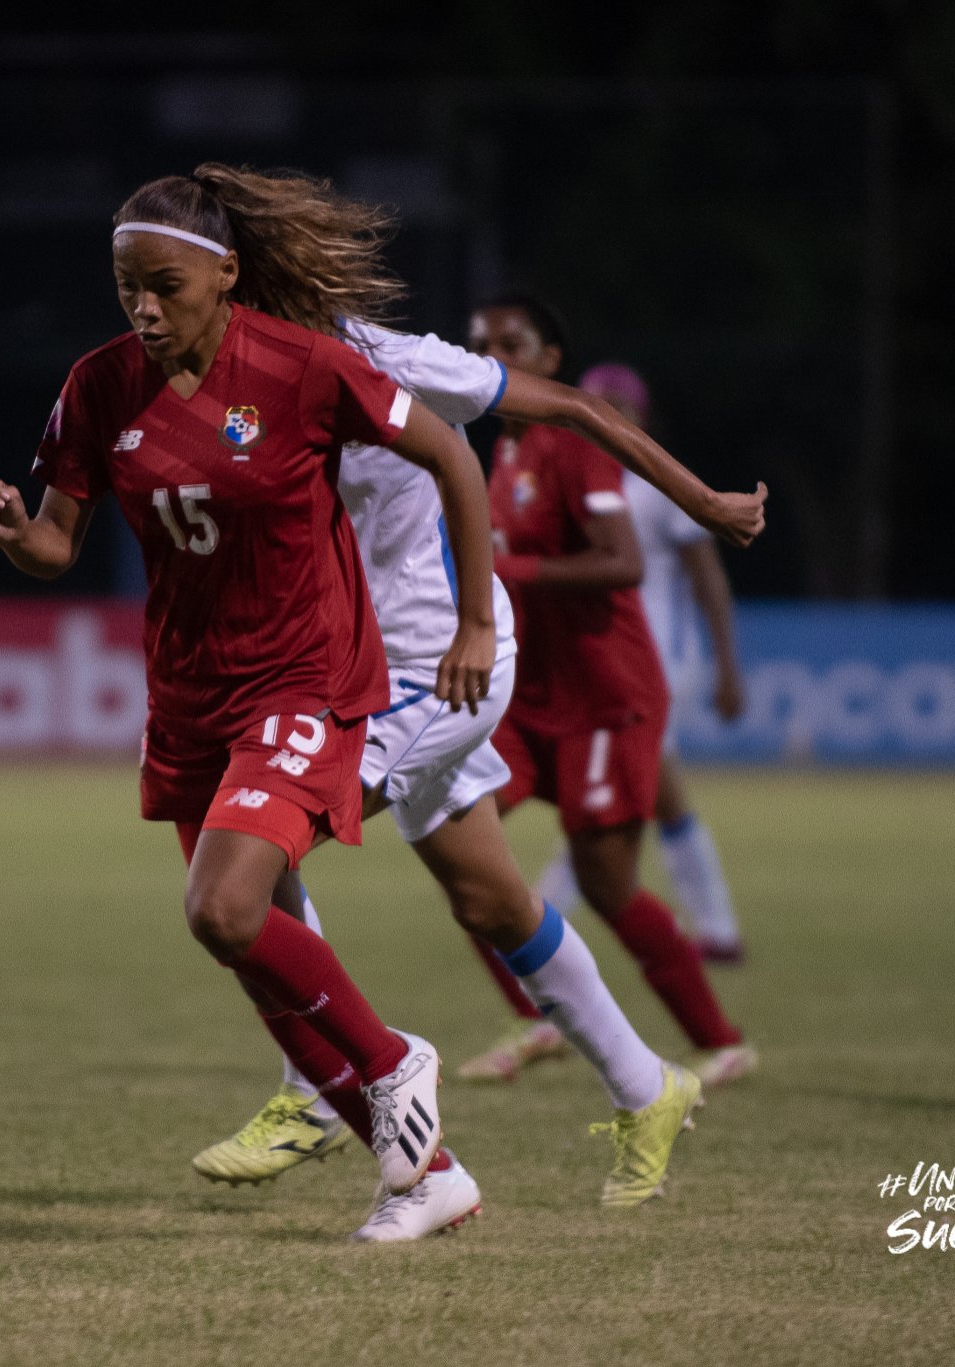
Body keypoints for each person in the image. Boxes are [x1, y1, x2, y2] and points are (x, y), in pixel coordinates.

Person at [0, 166, 504, 1239]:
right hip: (189, 696)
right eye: (127, 290)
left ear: (226, 275)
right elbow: (58, 543)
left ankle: (397, 1058)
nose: (144, 309)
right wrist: (14, 531)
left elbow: (448, 453)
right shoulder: (99, 385)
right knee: (246, 946)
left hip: (302, 677)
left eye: (163, 286)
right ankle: (427, 1176)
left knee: (221, 907)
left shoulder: (303, 368)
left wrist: (475, 623)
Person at [189, 271, 765, 1225]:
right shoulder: (242, 382)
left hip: (439, 667)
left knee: (257, 838)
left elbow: (578, 407)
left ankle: (313, 1081)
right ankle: (646, 1083)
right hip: (360, 671)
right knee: (491, 898)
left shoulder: (398, 362)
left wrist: (702, 500)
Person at [456, 295, 758, 1090]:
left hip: (606, 696)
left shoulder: (573, 440)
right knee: (455, 843)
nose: (491, 352)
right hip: (532, 698)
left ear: (552, 361)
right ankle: (535, 1021)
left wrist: (509, 573)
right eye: (478, 342)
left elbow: (622, 561)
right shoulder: (505, 451)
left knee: (606, 886)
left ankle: (718, 1039)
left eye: (511, 342)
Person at [534, 364, 750, 961]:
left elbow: (708, 579)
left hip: (653, 666)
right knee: (632, 796)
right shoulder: (567, 478)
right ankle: (716, 930)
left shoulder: (657, 483)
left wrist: (728, 665)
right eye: (595, 404)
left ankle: (539, 918)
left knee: (624, 796)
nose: (605, 415)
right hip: (597, 666)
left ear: (640, 418)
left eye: (618, 407)